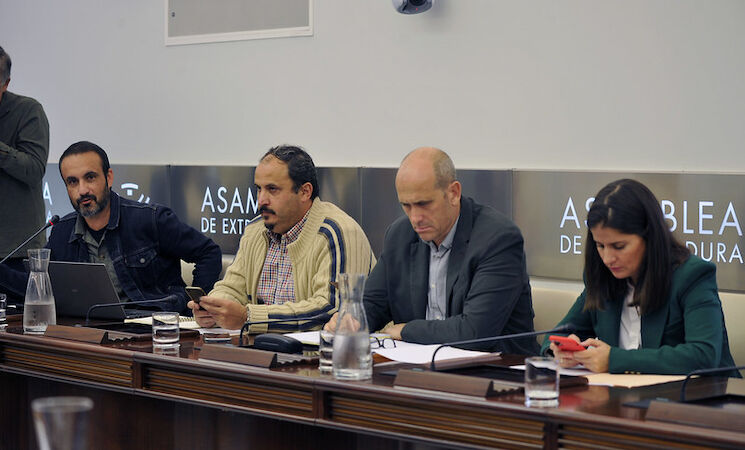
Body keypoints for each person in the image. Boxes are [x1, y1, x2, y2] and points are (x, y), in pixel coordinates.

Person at [326, 147, 539, 354]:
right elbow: (373, 304)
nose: (415, 218)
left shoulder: (497, 239)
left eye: (424, 204)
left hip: (497, 370)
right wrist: (351, 320)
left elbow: (475, 332)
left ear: (453, 193)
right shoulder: (400, 235)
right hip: (418, 368)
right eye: (406, 205)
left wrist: (407, 330)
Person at [543, 179, 739, 375]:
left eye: (619, 246)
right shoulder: (602, 276)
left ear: (649, 237)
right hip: (618, 392)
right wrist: (562, 350)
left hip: (698, 393)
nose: (608, 258)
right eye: (600, 246)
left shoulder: (692, 276)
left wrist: (614, 360)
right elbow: (558, 334)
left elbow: (703, 355)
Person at [0, 141, 222, 313]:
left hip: (152, 330)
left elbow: (208, 253)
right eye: (73, 182)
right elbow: (38, 288)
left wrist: (196, 307)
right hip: (90, 333)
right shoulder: (62, 231)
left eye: (90, 177)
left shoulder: (151, 219)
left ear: (109, 177)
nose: (82, 190)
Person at [190, 145, 375, 332]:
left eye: (272, 189)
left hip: (321, 348)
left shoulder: (337, 232)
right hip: (261, 345)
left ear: (304, 192)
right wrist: (213, 309)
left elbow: (333, 309)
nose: (261, 200)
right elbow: (232, 288)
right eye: (259, 189)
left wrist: (249, 318)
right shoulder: (255, 229)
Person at [0, 45, 50, 301]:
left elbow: (34, 169)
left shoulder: (28, 111)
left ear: (5, 84)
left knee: (22, 321)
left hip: (15, 251)